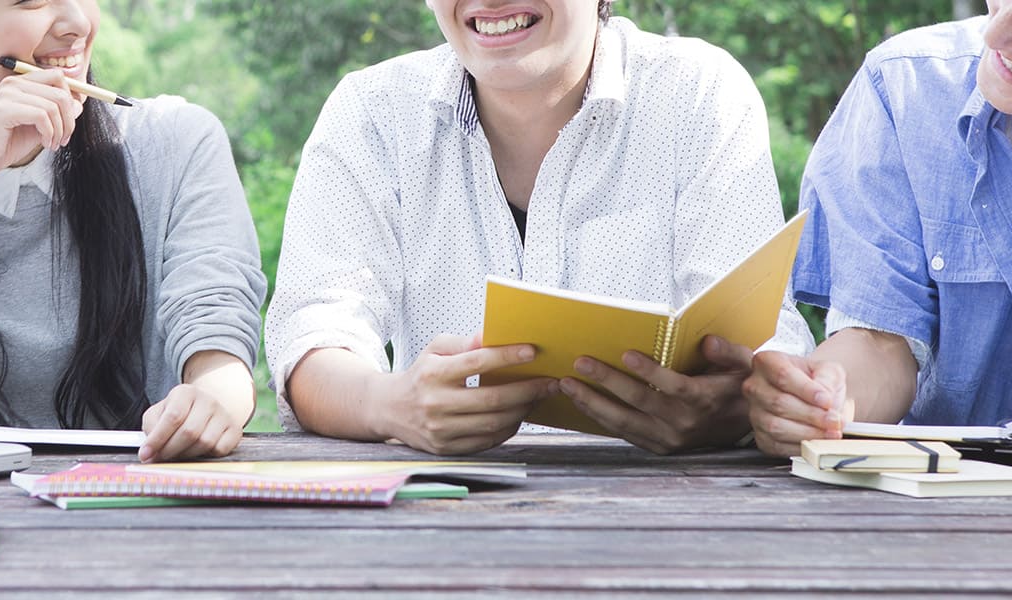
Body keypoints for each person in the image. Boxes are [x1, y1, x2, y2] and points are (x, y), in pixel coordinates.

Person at [265, 0, 813, 455]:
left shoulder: (696, 95)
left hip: (669, 520)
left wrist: (731, 408)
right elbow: (312, 337)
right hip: (443, 520)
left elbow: (762, 349)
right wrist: (391, 404)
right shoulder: (372, 114)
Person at [0, 0, 267, 462]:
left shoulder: (178, 143)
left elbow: (215, 329)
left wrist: (214, 399)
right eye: (34, 1)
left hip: (144, 504)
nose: (78, 22)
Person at [743, 0, 1012, 474]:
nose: (994, 32)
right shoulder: (906, 89)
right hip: (923, 519)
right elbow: (880, 342)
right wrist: (822, 398)